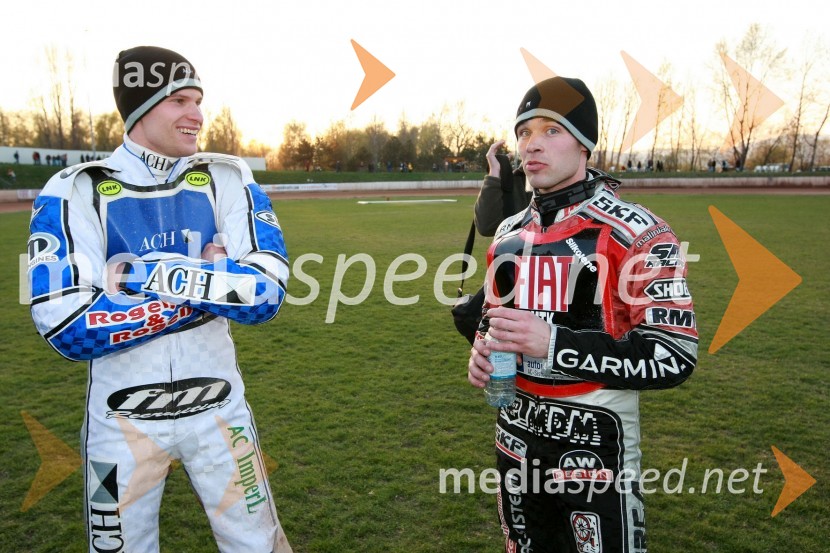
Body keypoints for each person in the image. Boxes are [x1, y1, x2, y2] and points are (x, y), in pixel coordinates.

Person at [27, 46, 292, 553]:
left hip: (222, 413)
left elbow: (265, 292)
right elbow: (66, 325)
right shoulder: (75, 190)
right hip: (117, 422)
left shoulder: (227, 177)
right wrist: (212, 278)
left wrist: (132, 275)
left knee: (259, 546)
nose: (198, 115)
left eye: (199, 100)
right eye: (181, 102)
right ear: (140, 109)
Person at [467, 76, 697, 553]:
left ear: (586, 144)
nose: (532, 144)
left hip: (595, 445)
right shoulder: (508, 233)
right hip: (515, 437)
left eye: (552, 130)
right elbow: (494, 321)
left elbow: (674, 356)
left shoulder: (638, 233)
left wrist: (552, 343)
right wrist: (483, 351)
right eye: (525, 132)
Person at [474, 139, 532, 237]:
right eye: (525, 133)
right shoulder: (515, 183)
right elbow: (487, 227)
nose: (533, 146)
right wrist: (495, 172)